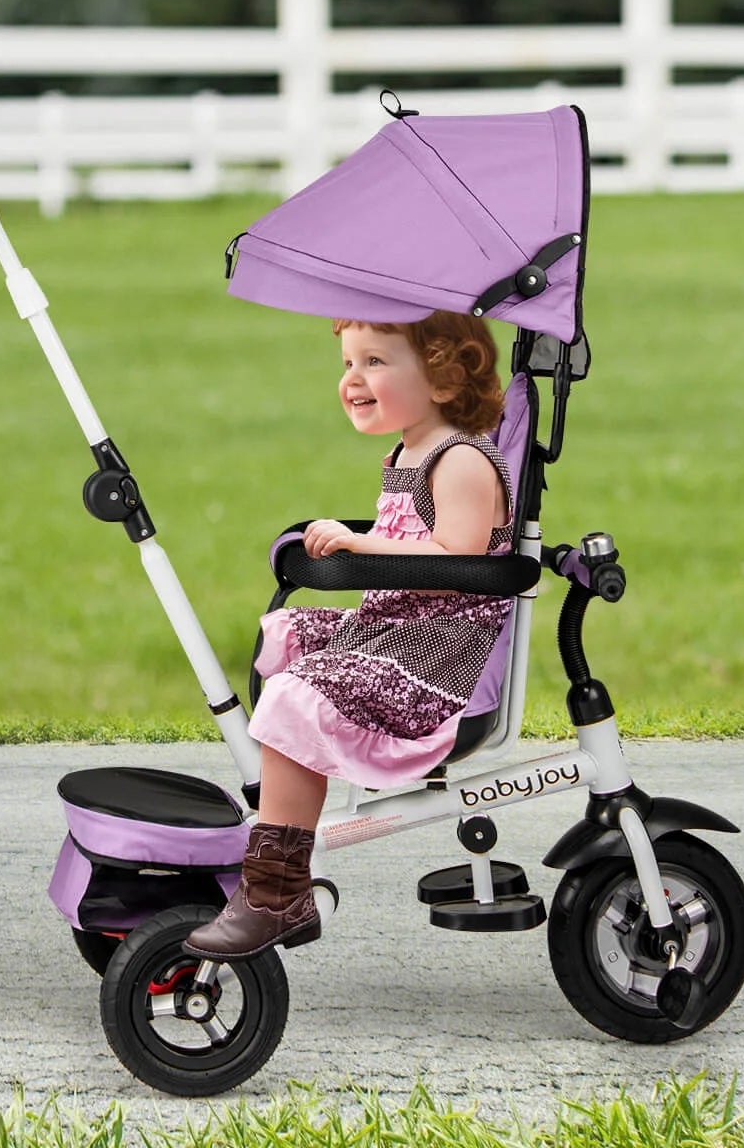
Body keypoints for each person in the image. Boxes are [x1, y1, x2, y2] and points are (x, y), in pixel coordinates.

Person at [185, 311, 514, 961]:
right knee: (286, 637)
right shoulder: (407, 451)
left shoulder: (463, 462)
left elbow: (461, 560)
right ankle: (285, 816)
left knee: (296, 697)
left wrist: (361, 544)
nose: (354, 378)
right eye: (347, 363)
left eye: (375, 362)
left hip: (435, 660)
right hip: (394, 634)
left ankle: (277, 889)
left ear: (444, 380)